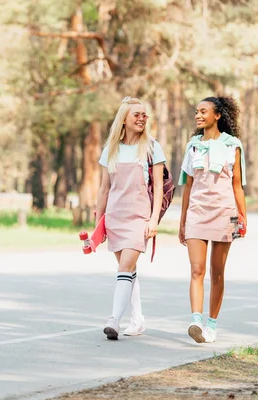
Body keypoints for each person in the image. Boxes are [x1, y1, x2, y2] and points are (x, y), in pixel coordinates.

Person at [95, 96, 166, 340]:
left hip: (139, 217)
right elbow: (104, 189)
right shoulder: (110, 150)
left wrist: (154, 219)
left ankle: (114, 319)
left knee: (124, 267)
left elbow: (158, 186)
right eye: (136, 114)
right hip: (115, 216)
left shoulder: (152, 147)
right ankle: (138, 319)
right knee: (128, 269)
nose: (142, 118)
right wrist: (98, 225)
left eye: (144, 115)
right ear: (124, 119)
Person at [178, 95, 247, 344]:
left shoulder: (233, 145)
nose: (198, 115)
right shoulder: (193, 146)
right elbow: (187, 186)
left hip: (224, 213)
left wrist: (242, 217)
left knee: (217, 272)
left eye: (203, 111)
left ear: (217, 115)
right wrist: (183, 220)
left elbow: (237, 186)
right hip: (197, 212)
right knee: (196, 269)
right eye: (197, 111)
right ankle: (196, 320)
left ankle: (212, 325)